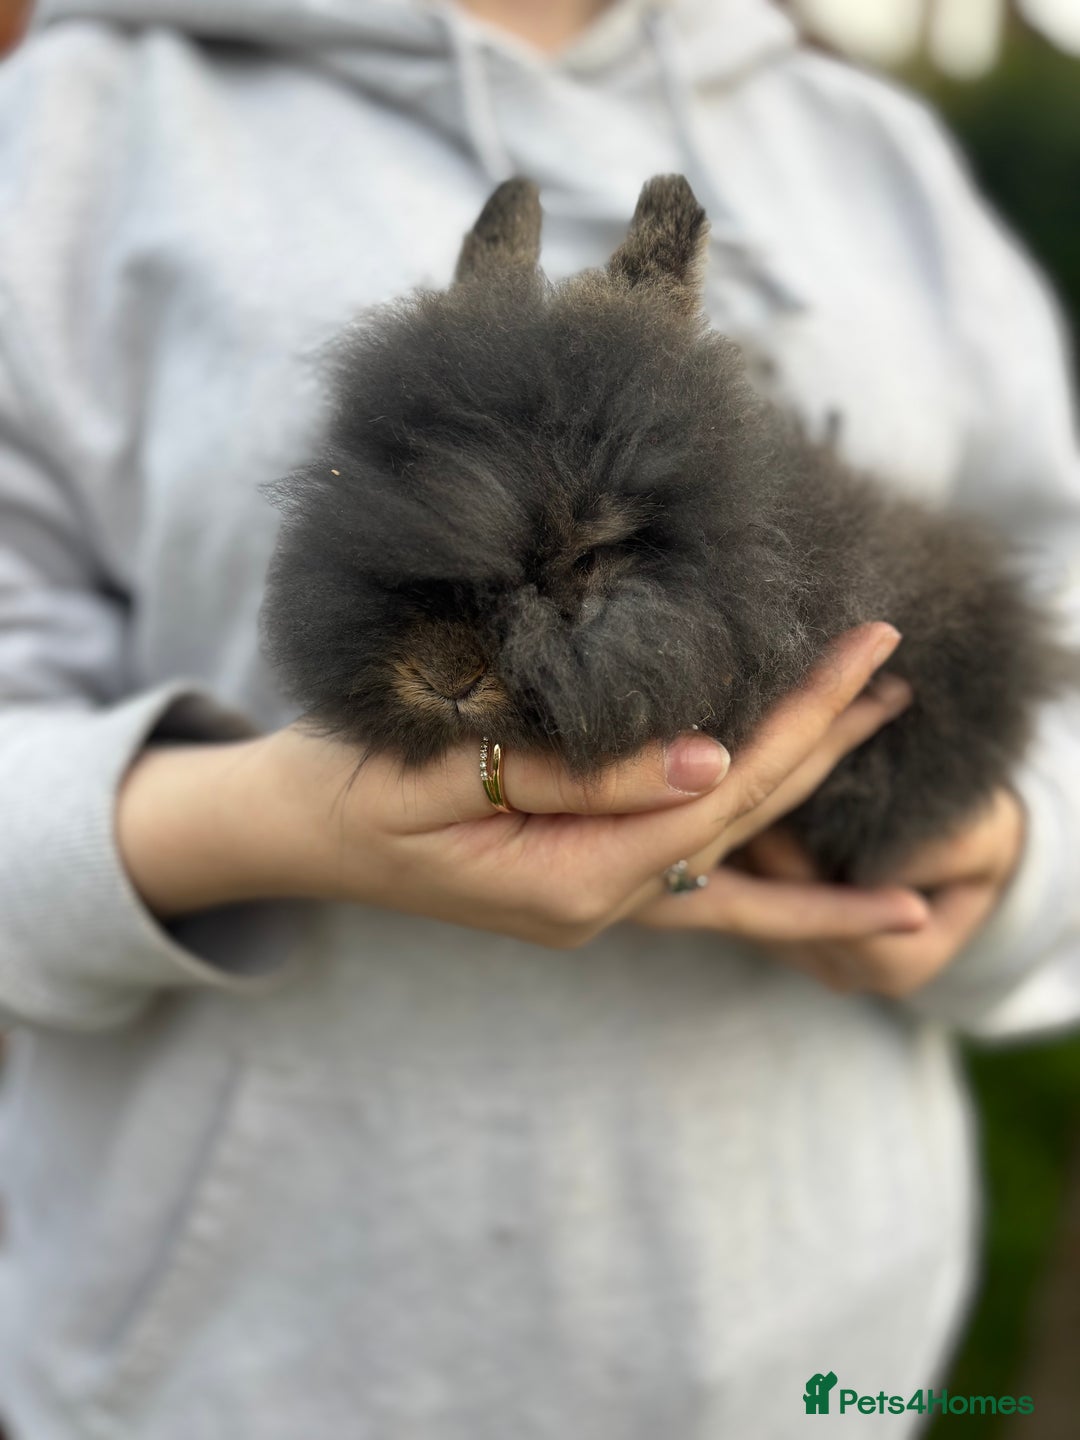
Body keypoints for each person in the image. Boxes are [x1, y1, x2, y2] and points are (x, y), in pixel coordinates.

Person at [0, 0, 1077, 1435]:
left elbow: (1052, 604)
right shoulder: (70, 131)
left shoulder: (873, 152)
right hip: (264, 1367)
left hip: (819, 1352)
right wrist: (256, 822)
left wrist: (991, 857)